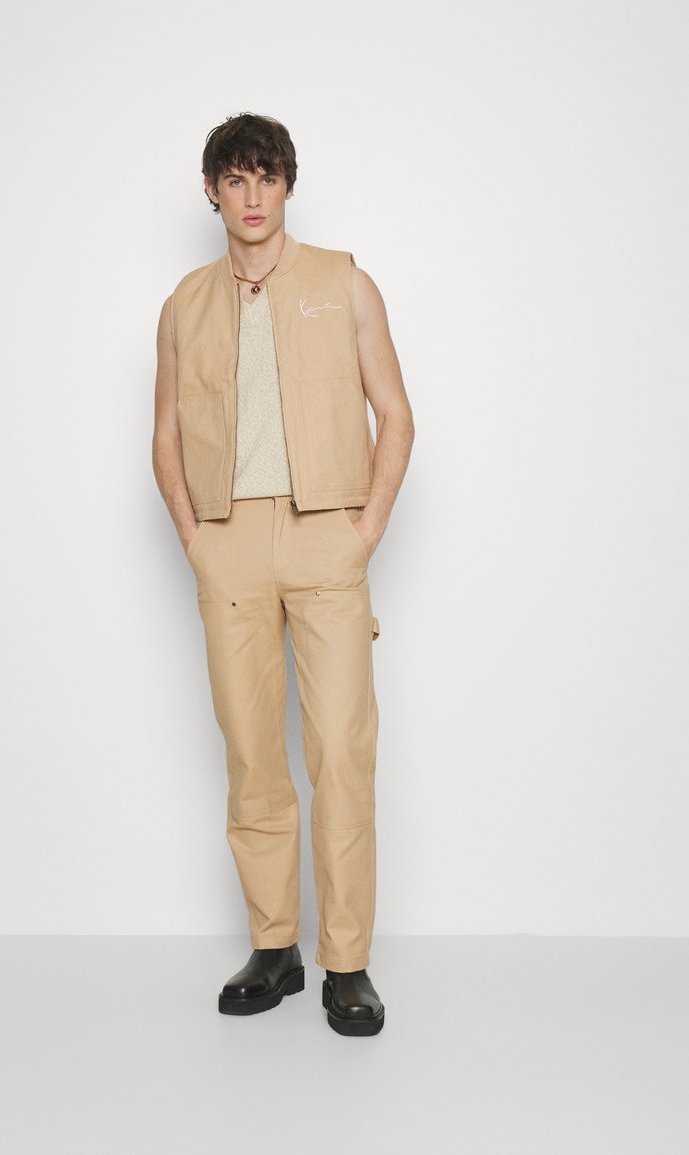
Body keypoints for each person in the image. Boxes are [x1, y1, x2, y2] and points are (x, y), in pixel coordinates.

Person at [152, 112, 414, 1036]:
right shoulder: (184, 304)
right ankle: (275, 946)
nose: (252, 196)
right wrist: (196, 537)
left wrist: (363, 531)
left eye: (267, 178)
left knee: (340, 751)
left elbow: (395, 414)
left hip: (324, 537)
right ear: (213, 191)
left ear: (287, 186)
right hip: (228, 541)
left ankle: (347, 960)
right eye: (236, 179)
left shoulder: (344, 282)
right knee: (253, 752)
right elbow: (165, 436)